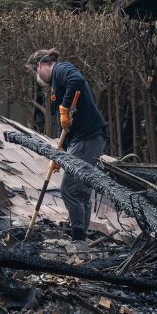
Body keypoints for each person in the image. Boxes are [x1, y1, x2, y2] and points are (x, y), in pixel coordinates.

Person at [27, 49, 107, 241]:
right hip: (80, 139)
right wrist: (60, 154)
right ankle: (82, 237)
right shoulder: (55, 85)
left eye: (35, 73)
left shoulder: (61, 69)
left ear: (40, 65)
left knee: (70, 189)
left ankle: (78, 237)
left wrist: (65, 107)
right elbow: (63, 125)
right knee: (81, 190)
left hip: (88, 137)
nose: (38, 78)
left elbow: (77, 80)